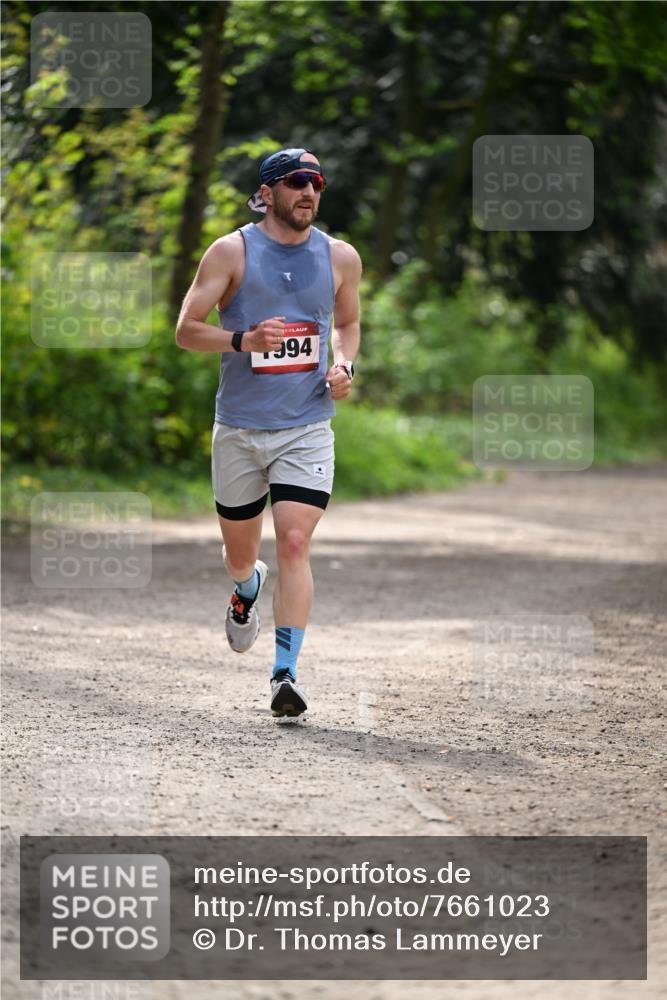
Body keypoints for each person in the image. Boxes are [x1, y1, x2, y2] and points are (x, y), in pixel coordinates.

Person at [175, 147, 362, 717]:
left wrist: (345, 365)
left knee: (295, 541)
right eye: (297, 181)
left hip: (306, 425)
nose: (309, 191)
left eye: (317, 183)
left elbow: (348, 323)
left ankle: (285, 673)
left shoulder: (340, 256)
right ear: (267, 192)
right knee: (240, 555)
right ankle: (245, 586)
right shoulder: (231, 251)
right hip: (239, 427)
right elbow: (186, 329)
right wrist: (243, 341)